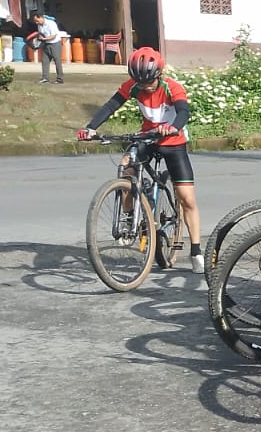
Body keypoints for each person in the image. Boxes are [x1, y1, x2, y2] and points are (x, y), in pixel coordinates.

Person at [78, 47, 205, 272]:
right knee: (125, 166)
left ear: (159, 75)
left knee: (187, 198)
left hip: (173, 142)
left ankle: (196, 250)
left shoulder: (172, 87)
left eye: (150, 82)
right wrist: (90, 128)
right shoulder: (133, 86)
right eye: (141, 82)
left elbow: (184, 113)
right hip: (147, 138)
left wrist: (172, 127)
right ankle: (130, 215)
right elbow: (111, 105)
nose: (145, 87)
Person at [28, 10, 63, 84]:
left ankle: (60, 79)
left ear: (41, 17)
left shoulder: (51, 24)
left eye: (37, 21)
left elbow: (53, 36)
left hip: (55, 43)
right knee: (45, 61)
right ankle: (45, 78)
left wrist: (44, 39)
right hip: (46, 44)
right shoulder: (39, 25)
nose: (36, 23)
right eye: (35, 21)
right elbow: (41, 34)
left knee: (57, 61)